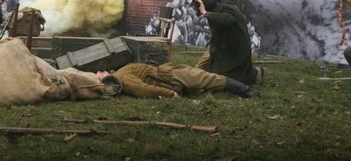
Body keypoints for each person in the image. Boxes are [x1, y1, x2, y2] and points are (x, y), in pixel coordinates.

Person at [192, 0, 263, 86]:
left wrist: (206, 13)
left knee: (222, 77)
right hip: (220, 47)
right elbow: (209, 3)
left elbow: (227, 19)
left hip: (234, 50)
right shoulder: (217, 6)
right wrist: (199, 0)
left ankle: (255, 74)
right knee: (198, 70)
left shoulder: (226, 8)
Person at [105, 62, 260, 99]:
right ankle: (249, 92)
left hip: (170, 75)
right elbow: (145, 90)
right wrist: (171, 94)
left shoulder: (120, 72)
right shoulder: (123, 77)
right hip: (171, 78)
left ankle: (251, 81)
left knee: (208, 79)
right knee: (211, 79)